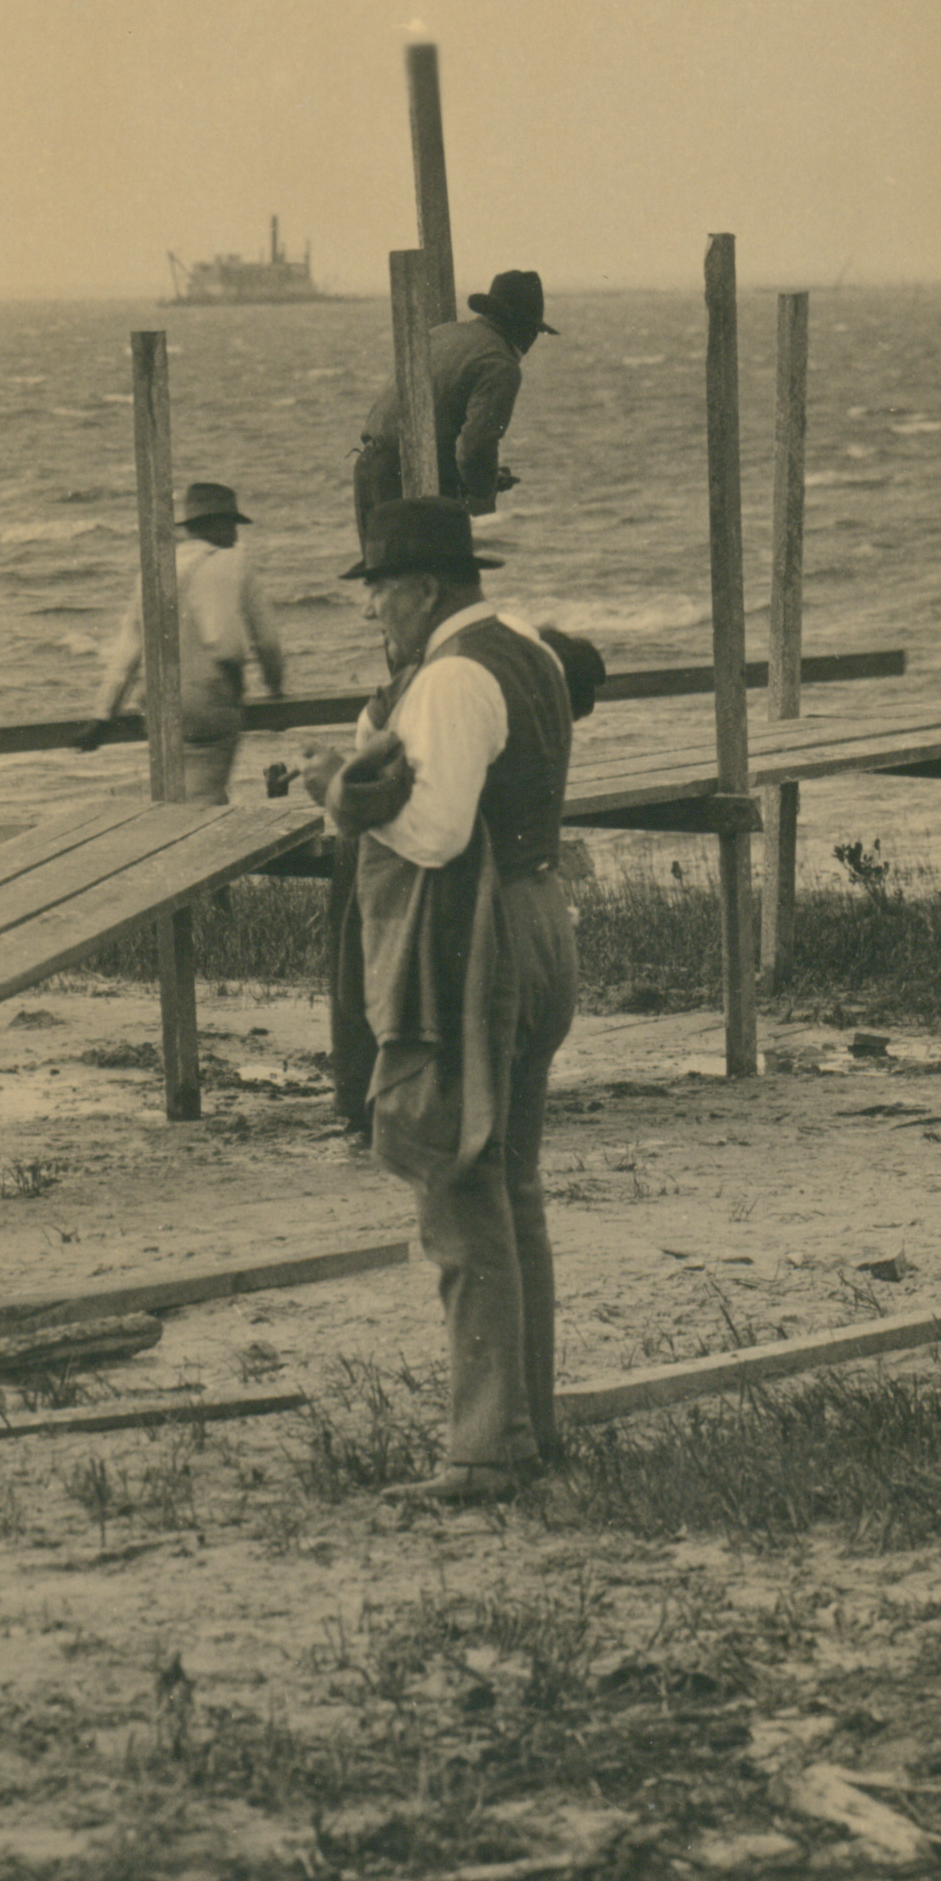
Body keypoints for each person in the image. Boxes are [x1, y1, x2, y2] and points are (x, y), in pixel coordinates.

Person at [309, 497, 580, 1507]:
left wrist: (342, 794)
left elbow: (431, 832)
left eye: (378, 591)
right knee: (512, 1190)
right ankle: (526, 1428)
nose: (374, 612)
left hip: (477, 941)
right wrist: (378, 730)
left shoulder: (455, 676)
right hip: (539, 910)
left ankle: (484, 1454)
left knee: (460, 1192)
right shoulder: (524, 647)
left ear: (423, 589)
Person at [76, 481, 289, 802]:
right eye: (230, 524)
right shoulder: (236, 562)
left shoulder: (155, 570)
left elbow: (128, 651)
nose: (235, 535)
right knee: (206, 798)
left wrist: (103, 715)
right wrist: (274, 690)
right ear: (213, 525)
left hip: (160, 704)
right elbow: (265, 643)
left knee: (176, 797)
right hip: (210, 702)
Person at [353, 269, 551, 536]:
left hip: (368, 468)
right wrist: (482, 492)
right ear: (524, 327)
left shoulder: (444, 333)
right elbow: (474, 448)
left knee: (386, 573)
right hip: (408, 479)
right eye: (535, 329)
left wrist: (481, 477)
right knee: (430, 575)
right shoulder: (500, 364)